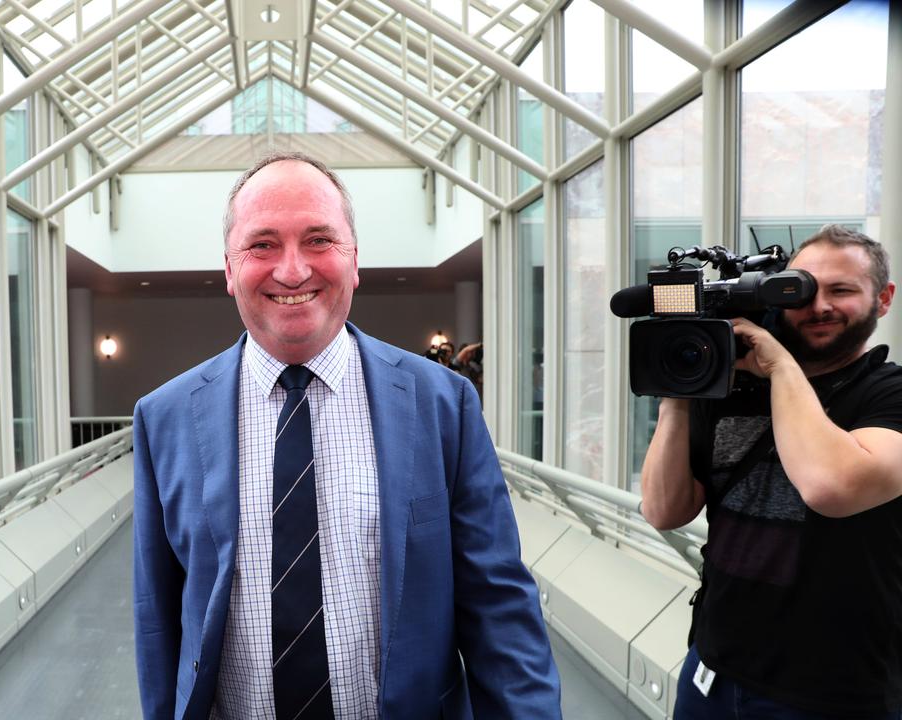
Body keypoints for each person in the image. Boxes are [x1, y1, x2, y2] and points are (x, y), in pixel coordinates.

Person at [132, 152, 560, 720]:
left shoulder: (442, 406)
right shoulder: (165, 418)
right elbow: (158, 615)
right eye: (262, 245)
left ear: (354, 260)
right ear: (230, 268)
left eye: (318, 240)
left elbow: (498, 607)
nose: (292, 270)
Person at [640, 225, 902, 718]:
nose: (818, 306)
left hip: (835, 694)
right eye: (800, 290)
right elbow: (662, 509)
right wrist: (676, 394)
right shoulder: (732, 391)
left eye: (841, 290)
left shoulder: (888, 396)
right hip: (711, 672)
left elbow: (831, 487)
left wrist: (781, 368)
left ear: (883, 299)